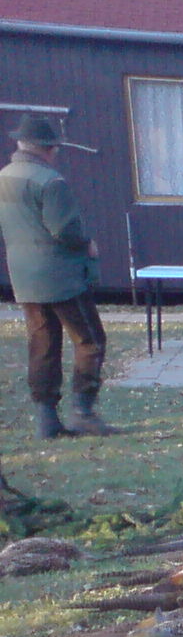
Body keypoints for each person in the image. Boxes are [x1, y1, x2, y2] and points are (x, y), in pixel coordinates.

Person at [0, 114, 111, 438]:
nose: (56, 152)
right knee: (90, 340)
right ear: (45, 148)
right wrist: (87, 244)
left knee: (43, 344)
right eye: (54, 147)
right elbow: (64, 230)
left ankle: (47, 419)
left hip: (24, 275)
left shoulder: (4, 177)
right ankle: (83, 412)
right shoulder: (50, 182)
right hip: (61, 276)